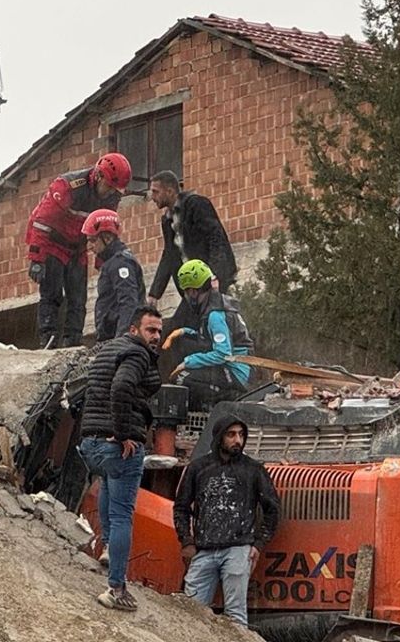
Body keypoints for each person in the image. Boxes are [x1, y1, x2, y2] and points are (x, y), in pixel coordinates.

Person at [77, 305, 163, 611]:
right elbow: (122, 386)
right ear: (133, 330)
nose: (156, 337)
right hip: (118, 445)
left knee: (107, 486)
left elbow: (99, 388)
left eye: (159, 332)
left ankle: (109, 548)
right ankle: (116, 588)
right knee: (123, 513)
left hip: (91, 445)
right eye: (151, 330)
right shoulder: (137, 353)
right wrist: (124, 432)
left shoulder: (108, 350)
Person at [172, 415, 280, 626]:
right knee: (190, 614)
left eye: (241, 435)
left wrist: (258, 543)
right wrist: (186, 540)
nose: (237, 440)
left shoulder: (253, 469)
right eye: (231, 435)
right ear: (220, 437)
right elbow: (181, 507)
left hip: (238, 550)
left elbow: (273, 509)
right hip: (204, 550)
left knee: (236, 617)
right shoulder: (198, 468)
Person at [26, 153, 132, 348]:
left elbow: (106, 230)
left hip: (78, 248)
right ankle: (48, 338)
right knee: (52, 292)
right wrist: (37, 258)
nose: (110, 193)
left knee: (78, 298)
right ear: (99, 176)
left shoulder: (113, 195)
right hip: (53, 244)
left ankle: (72, 341)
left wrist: (104, 263)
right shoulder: (68, 187)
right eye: (108, 187)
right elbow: (41, 223)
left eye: (114, 189)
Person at [164, 259, 254, 410]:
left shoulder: (215, 315)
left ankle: (222, 403)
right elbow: (209, 337)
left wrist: (188, 361)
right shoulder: (217, 303)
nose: (187, 296)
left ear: (193, 291)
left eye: (187, 291)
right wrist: (184, 332)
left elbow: (222, 353)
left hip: (236, 372)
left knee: (182, 378)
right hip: (237, 368)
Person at [146, 171, 237, 307]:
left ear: (170, 191)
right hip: (192, 287)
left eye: (155, 192)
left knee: (215, 321)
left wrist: (214, 276)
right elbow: (169, 255)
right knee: (181, 326)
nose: (152, 197)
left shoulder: (196, 205)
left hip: (211, 283)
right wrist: (155, 293)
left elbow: (216, 239)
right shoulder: (167, 220)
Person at [83, 209, 144, 342]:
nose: (89, 246)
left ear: (108, 238)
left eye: (93, 240)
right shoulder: (112, 263)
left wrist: (122, 339)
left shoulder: (120, 263)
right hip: (112, 337)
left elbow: (128, 302)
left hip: (119, 339)